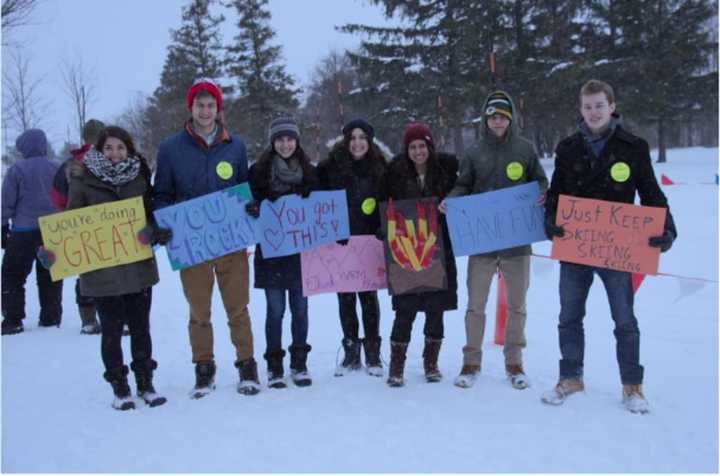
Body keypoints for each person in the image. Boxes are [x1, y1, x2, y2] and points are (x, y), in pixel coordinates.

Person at [541, 79, 676, 414]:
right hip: (576, 247)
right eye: (587, 106)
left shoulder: (634, 147)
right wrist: (550, 219)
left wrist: (667, 227)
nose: (594, 112)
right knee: (569, 316)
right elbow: (556, 194)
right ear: (580, 109)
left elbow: (652, 194)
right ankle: (570, 377)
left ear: (612, 106)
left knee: (624, 319)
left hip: (617, 248)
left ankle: (632, 386)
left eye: (600, 105)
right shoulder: (568, 148)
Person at [40, 126, 167, 410]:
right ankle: (119, 386)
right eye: (109, 148)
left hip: (137, 268)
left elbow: (151, 214)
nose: (115, 153)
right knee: (111, 330)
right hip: (102, 272)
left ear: (129, 150)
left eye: (120, 148)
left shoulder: (140, 177)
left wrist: (152, 230)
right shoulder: (84, 181)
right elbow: (71, 223)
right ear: (99, 150)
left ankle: (145, 382)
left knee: (140, 327)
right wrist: (53, 250)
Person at [153, 78, 260, 398]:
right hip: (193, 245)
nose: (205, 110)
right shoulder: (170, 149)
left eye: (210, 104)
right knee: (199, 311)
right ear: (191, 107)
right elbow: (161, 194)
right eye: (199, 104)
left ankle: (246, 365)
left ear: (218, 108)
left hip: (230, 243)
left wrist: (250, 206)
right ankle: (204, 366)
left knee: (238, 308)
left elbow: (244, 187)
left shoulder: (235, 146)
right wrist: (165, 221)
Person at [439, 90, 548, 390]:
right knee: (476, 305)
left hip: (516, 243)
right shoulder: (474, 152)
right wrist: (452, 200)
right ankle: (471, 362)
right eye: (492, 116)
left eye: (502, 116)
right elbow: (463, 185)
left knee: (517, 305)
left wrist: (541, 192)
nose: (497, 121)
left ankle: (514, 362)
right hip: (482, 243)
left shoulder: (524, 149)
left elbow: (540, 180)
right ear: (486, 119)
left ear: (510, 118)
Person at [381, 122, 458, 387]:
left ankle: (431, 362)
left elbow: (462, 193)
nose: (418, 151)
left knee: (436, 308)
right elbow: (385, 202)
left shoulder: (446, 169)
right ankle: (397, 364)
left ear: (430, 146)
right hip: (406, 249)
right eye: (412, 147)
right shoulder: (395, 172)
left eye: (422, 146)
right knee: (405, 309)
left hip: (438, 249)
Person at [245, 116, 317, 388]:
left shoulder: (310, 172)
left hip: (301, 253)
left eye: (290, 139)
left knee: (300, 308)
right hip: (272, 253)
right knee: (275, 310)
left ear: (297, 142)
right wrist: (253, 207)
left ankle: (299, 363)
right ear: (272, 142)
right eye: (280, 139)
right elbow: (247, 208)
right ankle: (274, 365)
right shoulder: (258, 172)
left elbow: (321, 209)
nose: (285, 144)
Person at [317, 118, 387, 377]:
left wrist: (383, 225)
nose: (357, 143)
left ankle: (372, 352)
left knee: (369, 298)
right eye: (353, 138)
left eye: (362, 138)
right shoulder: (329, 168)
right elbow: (317, 199)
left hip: (370, 242)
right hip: (341, 243)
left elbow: (390, 200)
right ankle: (350, 352)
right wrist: (331, 228)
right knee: (345, 298)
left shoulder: (382, 167)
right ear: (346, 141)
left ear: (369, 141)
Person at [1, 129, 63, 335]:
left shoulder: (16, 170)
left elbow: (6, 201)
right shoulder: (56, 167)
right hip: (52, 229)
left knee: (13, 275)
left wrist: (2, 226)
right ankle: (50, 315)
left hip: (23, 231)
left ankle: (13, 319)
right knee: (50, 274)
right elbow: (65, 197)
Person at [50, 118, 105, 335]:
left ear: (84, 137)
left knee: (87, 274)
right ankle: (123, 319)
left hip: (81, 229)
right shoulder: (112, 159)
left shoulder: (68, 165)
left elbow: (56, 197)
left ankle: (89, 319)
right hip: (111, 227)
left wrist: (68, 214)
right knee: (117, 274)